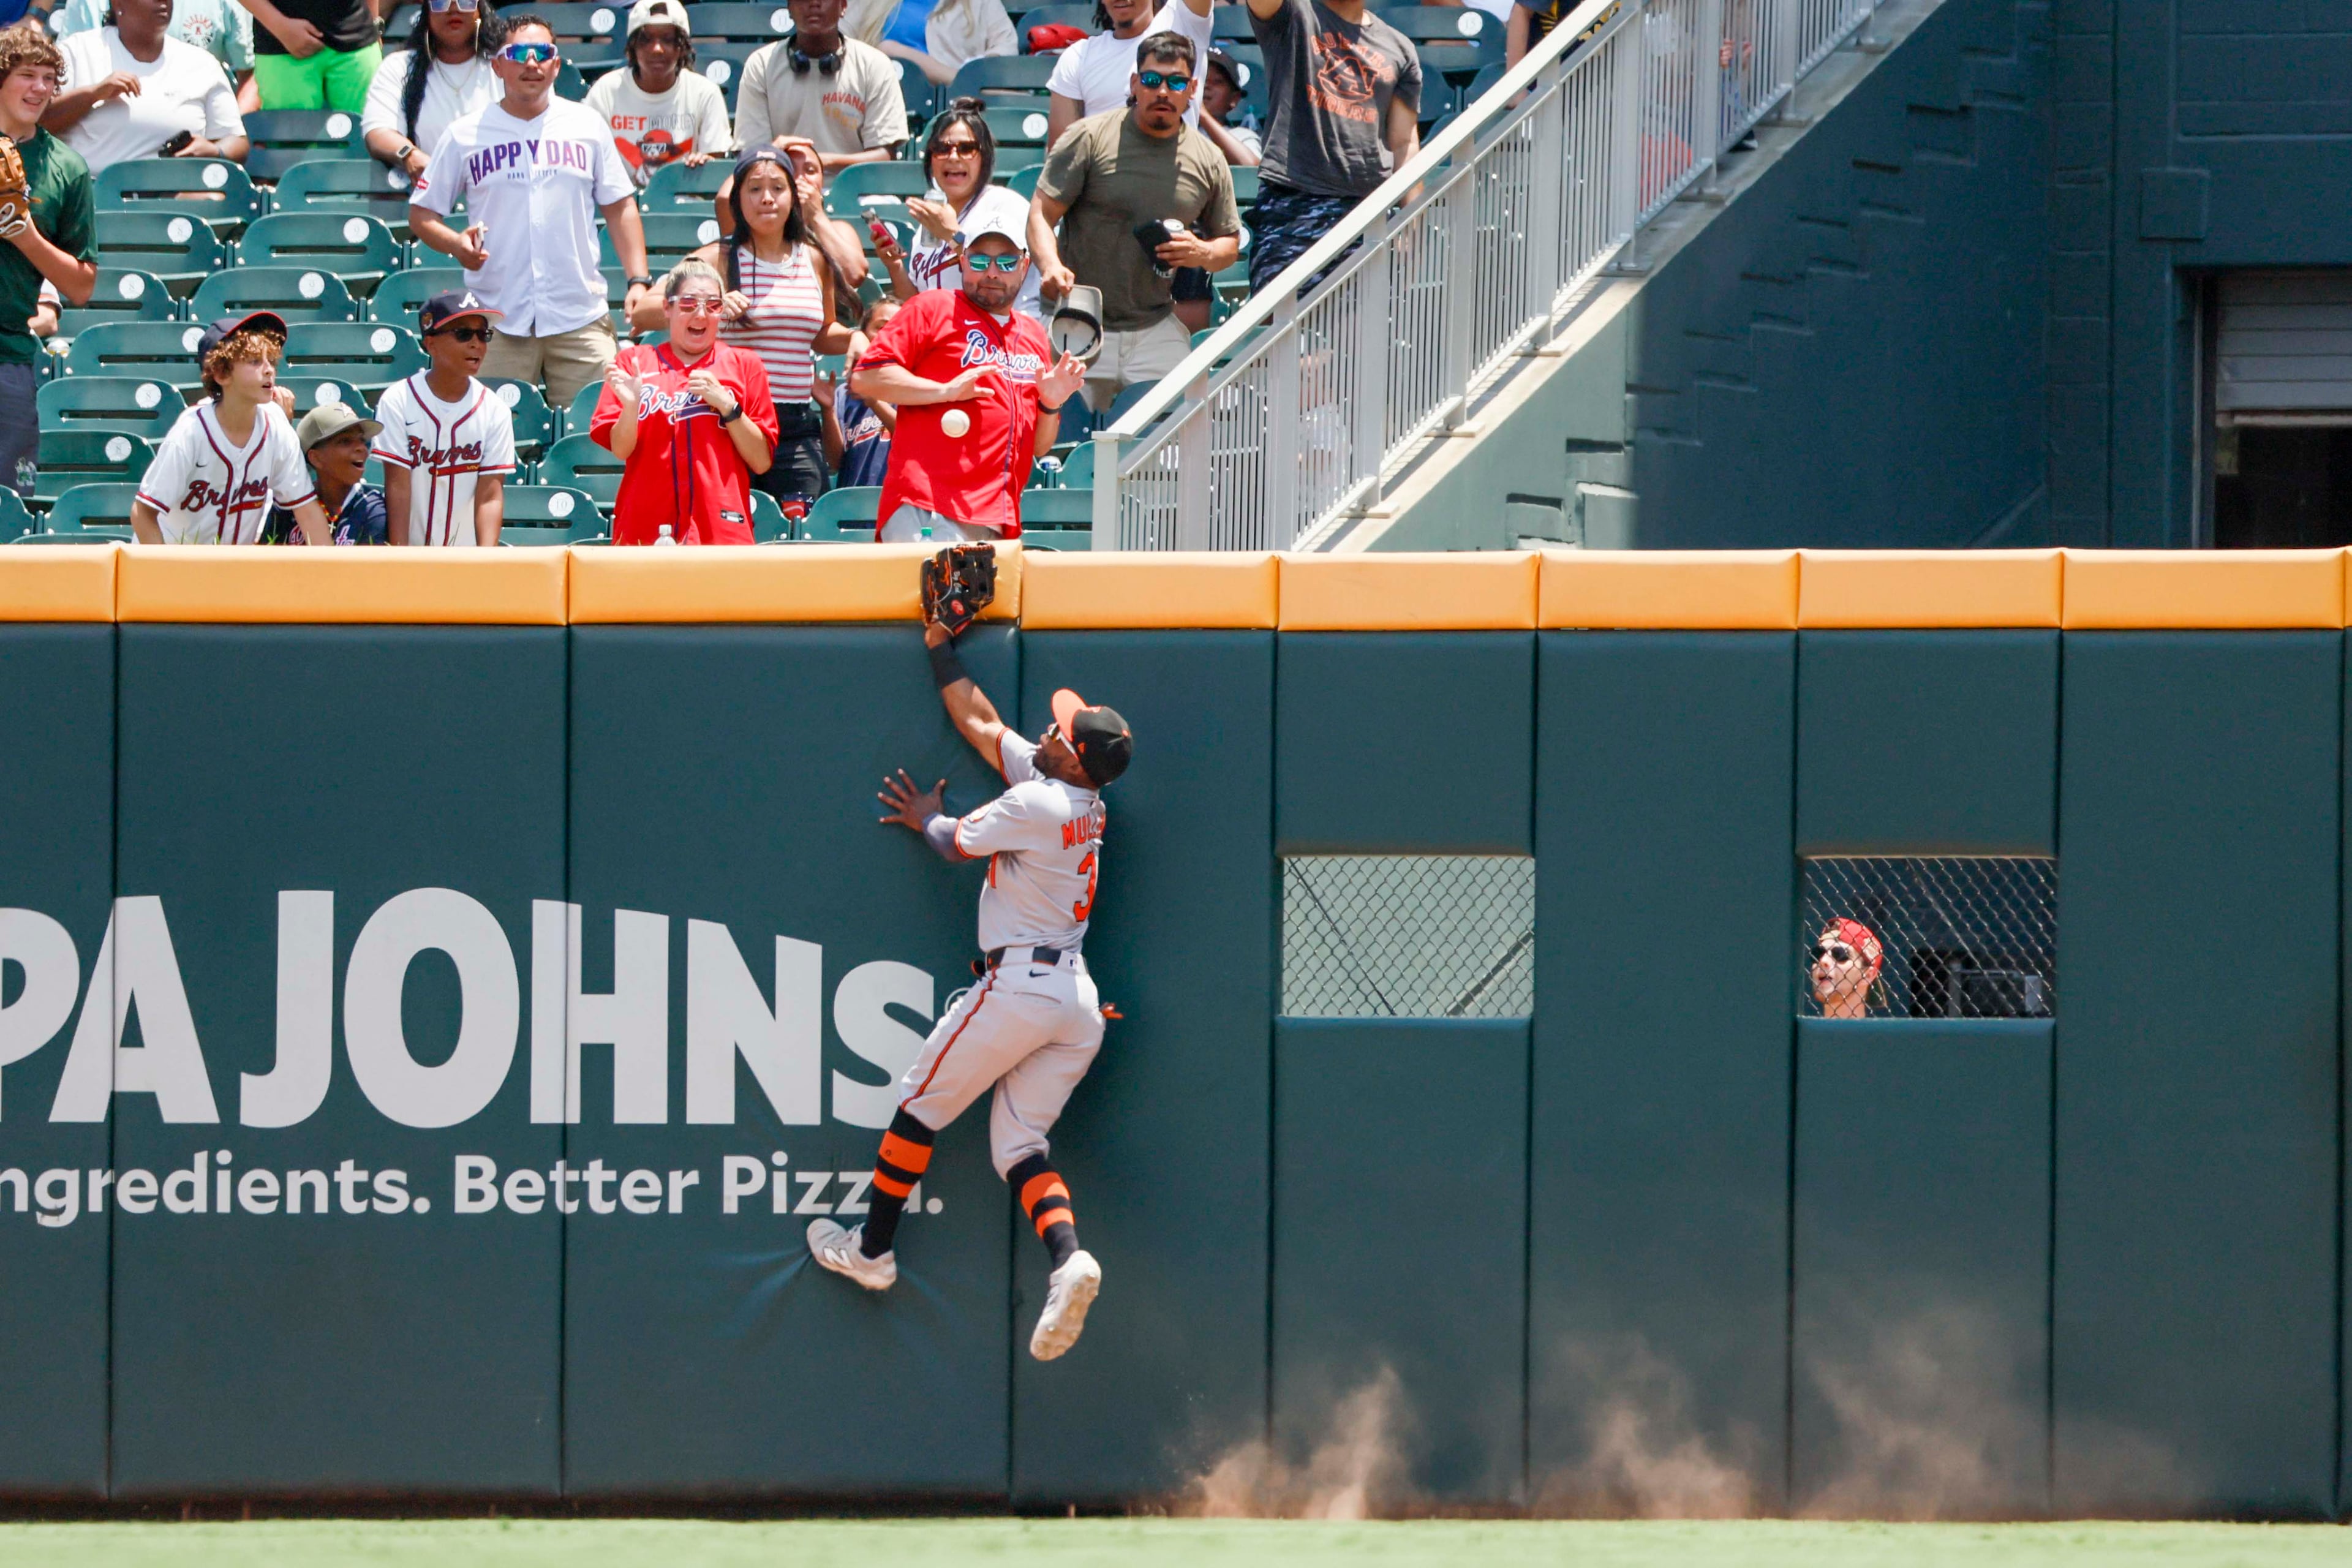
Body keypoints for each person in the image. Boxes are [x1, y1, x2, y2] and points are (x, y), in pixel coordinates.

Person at [807, 596, 1136, 1366]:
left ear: (1077, 760)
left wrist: (926, 814)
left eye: (1064, 731)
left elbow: (955, 842)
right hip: (1075, 1003)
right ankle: (1067, 1260)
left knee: (919, 1104)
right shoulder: (1078, 798)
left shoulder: (1038, 798)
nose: (1052, 728)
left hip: (1022, 986)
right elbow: (983, 725)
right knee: (1019, 1143)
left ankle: (874, 1250)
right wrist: (940, 644)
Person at [410, 15, 652, 412]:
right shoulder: (466, 133)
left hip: (579, 315)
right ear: (498, 65)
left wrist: (639, 280)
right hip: (496, 320)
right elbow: (421, 214)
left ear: (557, 65)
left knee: (598, 442)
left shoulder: (587, 125)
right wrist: (456, 244)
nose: (532, 63)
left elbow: (620, 206)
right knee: (494, 444)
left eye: (544, 54)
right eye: (520, 53)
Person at [1028, 33, 1237, 414]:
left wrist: (1202, 251)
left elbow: (1230, 244)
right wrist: (1050, 264)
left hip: (1155, 324)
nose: (1163, 91)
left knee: (1182, 428)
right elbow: (1041, 213)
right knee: (1058, 438)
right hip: (1079, 320)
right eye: (1152, 79)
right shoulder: (1088, 138)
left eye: (1176, 82)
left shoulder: (1208, 159)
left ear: (1192, 89)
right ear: (1134, 83)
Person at [636, 146, 848, 513]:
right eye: (754, 188)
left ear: (793, 197)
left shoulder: (813, 259)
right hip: (726, 420)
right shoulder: (715, 257)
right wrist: (710, 305)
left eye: (778, 188)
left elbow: (822, 332)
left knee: (798, 544)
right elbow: (644, 312)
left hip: (796, 425)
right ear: (738, 199)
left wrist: (856, 336)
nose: (767, 198)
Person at [851, 217, 1086, 542]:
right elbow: (866, 377)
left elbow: (1040, 446)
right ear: (962, 262)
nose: (992, 272)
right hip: (930, 505)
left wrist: (1050, 404)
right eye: (979, 261)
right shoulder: (933, 307)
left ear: (1024, 265)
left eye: (1006, 262)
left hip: (997, 516)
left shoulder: (1032, 333)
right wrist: (945, 391)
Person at [592, 256, 782, 545]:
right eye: (689, 304)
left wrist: (728, 407)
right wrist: (631, 408)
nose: (701, 315)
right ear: (667, 308)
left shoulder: (745, 364)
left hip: (720, 528)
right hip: (645, 525)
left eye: (714, 306)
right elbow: (621, 449)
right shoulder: (634, 362)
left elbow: (761, 461)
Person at [1244, 0, 1421, 295]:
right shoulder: (1292, 12)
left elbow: (1404, 143)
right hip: (1293, 202)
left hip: (1368, 210)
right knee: (1283, 330)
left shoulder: (1399, 48)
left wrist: (1412, 219)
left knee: (1361, 337)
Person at [132, 311, 333, 545]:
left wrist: (333, 578)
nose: (269, 370)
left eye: (271, 361)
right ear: (221, 373)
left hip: (232, 571)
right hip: (175, 562)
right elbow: (142, 513)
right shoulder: (191, 432)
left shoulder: (276, 427)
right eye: (255, 361)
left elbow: (308, 512)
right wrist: (164, 574)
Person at [0, 21, 94, 493]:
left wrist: (24, 235)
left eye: (49, 78)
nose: (40, 88)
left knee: (8, 505)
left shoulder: (67, 167)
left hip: (9, 355)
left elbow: (81, 287)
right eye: (26, 74)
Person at [372, 290, 516, 546]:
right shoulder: (398, 400)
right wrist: (399, 559)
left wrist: (487, 563)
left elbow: (490, 496)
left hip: (467, 561)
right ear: (431, 344)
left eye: (483, 335)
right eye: (463, 334)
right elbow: (398, 488)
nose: (476, 344)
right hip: (412, 553)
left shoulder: (495, 409)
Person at [880, 98, 1040, 321]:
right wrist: (895, 266)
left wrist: (952, 236)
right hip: (948, 343)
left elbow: (1000, 279)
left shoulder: (1004, 206)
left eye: (966, 149)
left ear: (985, 157)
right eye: (942, 149)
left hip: (1002, 338)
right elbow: (918, 306)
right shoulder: (930, 225)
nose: (953, 157)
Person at [46, 0, 248, 169]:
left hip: (178, 195)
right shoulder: (77, 51)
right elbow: (41, 122)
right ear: (118, 3)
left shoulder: (202, 63)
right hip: (94, 195)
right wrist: (93, 94)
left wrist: (215, 151)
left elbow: (237, 142)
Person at [733, 0, 906, 173]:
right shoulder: (762, 65)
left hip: (854, 190)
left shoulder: (875, 65)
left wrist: (819, 162)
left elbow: (884, 156)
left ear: (843, 6)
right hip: (782, 190)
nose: (814, 3)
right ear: (789, 8)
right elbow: (751, 155)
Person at [584, 0, 732, 187]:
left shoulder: (705, 93)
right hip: (618, 205)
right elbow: (587, 158)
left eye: (668, 39)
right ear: (633, 46)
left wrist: (704, 163)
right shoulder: (605, 91)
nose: (657, 49)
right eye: (646, 40)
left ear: (682, 46)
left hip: (682, 205)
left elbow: (715, 167)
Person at [361, 0, 500, 179]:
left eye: (466, 2)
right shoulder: (399, 67)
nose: (453, 8)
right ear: (427, 14)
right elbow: (378, 131)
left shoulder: (504, 66)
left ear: (480, 11)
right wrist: (409, 155)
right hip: (427, 191)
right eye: (440, 2)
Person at [1041, 0, 1210, 143]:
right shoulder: (1078, 56)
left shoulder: (1183, 22)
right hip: (1103, 177)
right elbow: (1063, 155)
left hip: (1175, 175)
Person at [51, 0, 254, 113]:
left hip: (187, 158)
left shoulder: (225, 5)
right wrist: (94, 94)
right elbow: (54, 92)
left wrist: (227, 126)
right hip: (98, 155)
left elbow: (251, 75)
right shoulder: (85, 8)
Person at [263, 401, 388, 544]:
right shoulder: (287, 506)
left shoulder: (371, 507)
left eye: (362, 440)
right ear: (315, 458)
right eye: (345, 441)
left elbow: (369, 567)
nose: (361, 448)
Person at [236, 0, 379, 111]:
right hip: (282, 48)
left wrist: (374, 25)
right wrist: (280, 26)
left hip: (356, 42)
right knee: (290, 146)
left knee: (368, 140)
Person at [845, 0, 1012, 88]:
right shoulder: (867, 2)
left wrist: (898, 52)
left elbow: (1006, 49)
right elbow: (838, 38)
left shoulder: (979, 3)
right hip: (877, 95)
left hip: (951, 108)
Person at [829, 292, 895, 486]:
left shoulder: (916, 385)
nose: (889, 334)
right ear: (864, 335)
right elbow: (835, 461)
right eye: (880, 327)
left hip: (899, 503)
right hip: (852, 503)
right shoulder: (844, 392)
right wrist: (828, 410)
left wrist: (874, 401)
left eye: (898, 327)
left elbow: (914, 442)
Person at [1810, 918, 1883, 1020]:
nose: (1823, 961)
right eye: (1818, 953)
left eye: (1840, 954)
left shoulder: (1880, 1036)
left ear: (1868, 975)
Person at [1198, 46, 1257, 164]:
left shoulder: (1240, 136)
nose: (1206, 86)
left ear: (1234, 99)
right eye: (1201, 78)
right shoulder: (1171, 129)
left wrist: (1202, 114)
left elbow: (1251, 167)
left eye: (1217, 82)